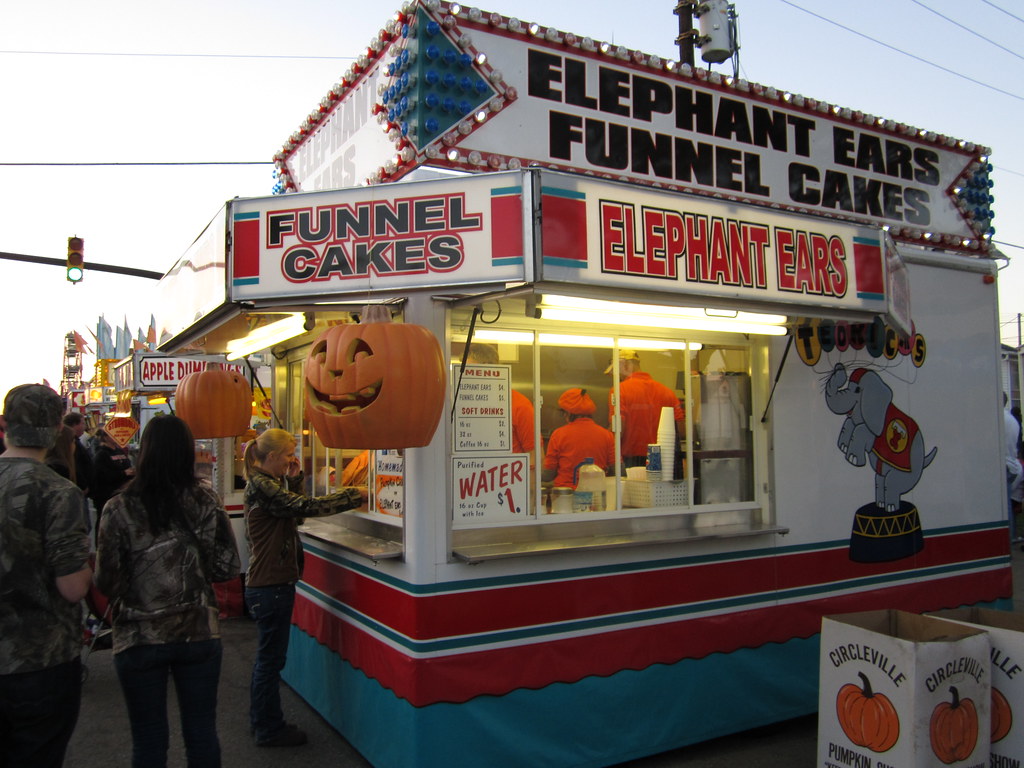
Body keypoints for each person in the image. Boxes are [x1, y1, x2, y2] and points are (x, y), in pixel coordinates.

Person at [94, 415, 240, 768]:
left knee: (148, 738)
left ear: (143, 452)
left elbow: (106, 582)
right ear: (188, 453)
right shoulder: (207, 499)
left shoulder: (119, 507)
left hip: (139, 636)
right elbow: (227, 567)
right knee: (202, 732)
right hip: (198, 632)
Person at [243, 428, 365, 748]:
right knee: (270, 662)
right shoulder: (262, 486)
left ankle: (261, 720)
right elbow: (302, 508)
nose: (291, 460)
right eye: (286, 456)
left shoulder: (263, 482)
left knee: (268, 660)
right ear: (270, 457)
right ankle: (268, 727)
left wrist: (294, 480)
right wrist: (354, 495)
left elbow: (289, 512)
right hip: (270, 585)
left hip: (268, 584)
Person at [0, 384, 92, 767]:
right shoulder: (59, 493)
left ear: (4, 425)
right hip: (40, 661)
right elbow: (72, 588)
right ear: (58, 431)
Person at [607, 350, 683, 468]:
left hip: (631, 459)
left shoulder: (619, 390)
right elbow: (680, 427)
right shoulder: (667, 392)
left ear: (625, 365)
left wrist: (614, 456)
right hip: (664, 458)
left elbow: (618, 426)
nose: (617, 376)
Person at [467, 343, 540, 458]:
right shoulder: (463, 404)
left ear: (488, 370)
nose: (467, 377)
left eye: (471, 371)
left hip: (508, 474)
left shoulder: (519, 405)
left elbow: (535, 456)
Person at [542, 388, 615, 488]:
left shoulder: (558, 434)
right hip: (597, 495)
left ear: (568, 413)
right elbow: (618, 470)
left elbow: (548, 475)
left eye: (563, 412)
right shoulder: (607, 435)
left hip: (565, 494)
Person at [91, 427, 135, 529]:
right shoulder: (101, 454)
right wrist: (123, 473)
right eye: (114, 434)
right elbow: (101, 475)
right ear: (105, 437)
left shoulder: (119, 451)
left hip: (122, 493)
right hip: (106, 495)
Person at [1004, 393, 1023, 543]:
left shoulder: (997, 418)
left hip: (1002, 464)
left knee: (1003, 505)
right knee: (1007, 504)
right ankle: (1011, 538)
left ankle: (1006, 541)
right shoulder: (1012, 420)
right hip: (1012, 464)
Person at [62, 412, 94, 495]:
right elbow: (75, 465)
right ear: (74, 425)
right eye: (82, 423)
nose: (85, 427)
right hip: (78, 489)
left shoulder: (76, 440)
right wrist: (83, 486)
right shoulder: (70, 442)